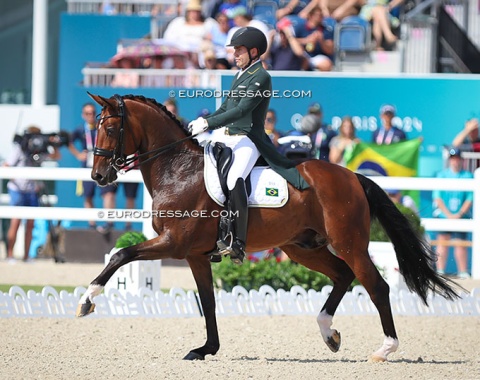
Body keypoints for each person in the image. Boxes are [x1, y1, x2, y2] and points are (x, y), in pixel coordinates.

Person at [187, 26, 309, 264]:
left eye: (239, 50)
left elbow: (242, 110)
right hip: (228, 136)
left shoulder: (261, 76)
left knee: (234, 179)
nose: (235, 54)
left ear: (254, 51)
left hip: (249, 138)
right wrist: (205, 122)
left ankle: (237, 240)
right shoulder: (239, 75)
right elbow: (225, 108)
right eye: (234, 50)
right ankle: (212, 232)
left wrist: (209, 122)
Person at [4, 125, 61, 262]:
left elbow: (57, 156)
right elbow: (6, 166)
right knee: (16, 222)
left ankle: (26, 256)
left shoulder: (40, 150)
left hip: (32, 191)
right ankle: (9, 255)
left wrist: (53, 143)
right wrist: (17, 180)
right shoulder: (19, 149)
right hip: (17, 189)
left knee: (31, 223)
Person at [68, 102, 117, 233]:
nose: (90, 116)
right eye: (87, 113)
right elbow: (68, 141)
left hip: (104, 164)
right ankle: (92, 224)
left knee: (108, 194)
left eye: (93, 113)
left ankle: (109, 222)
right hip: (87, 166)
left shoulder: (103, 127)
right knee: (88, 195)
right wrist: (78, 154)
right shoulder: (80, 129)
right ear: (83, 115)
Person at [432, 147, 473, 279]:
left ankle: (462, 272)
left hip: (461, 216)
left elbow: (470, 198)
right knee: (442, 242)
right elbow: (437, 198)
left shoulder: (468, 176)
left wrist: (458, 214)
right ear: (450, 160)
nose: (455, 161)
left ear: (461, 160)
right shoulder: (442, 175)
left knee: (460, 244)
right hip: (445, 216)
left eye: (457, 159)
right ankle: (440, 271)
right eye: (453, 159)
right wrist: (449, 215)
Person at [292, 6, 334, 71]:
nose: (320, 17)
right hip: (302, 55)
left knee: (326, 64)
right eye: (317, 15)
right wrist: (306, 40)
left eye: (321, 15)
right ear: (311, 16)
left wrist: (321, 40)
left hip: (317, 56)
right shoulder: (300, 27)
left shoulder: (326, 30)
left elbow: (330, 50)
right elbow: (292, 41)